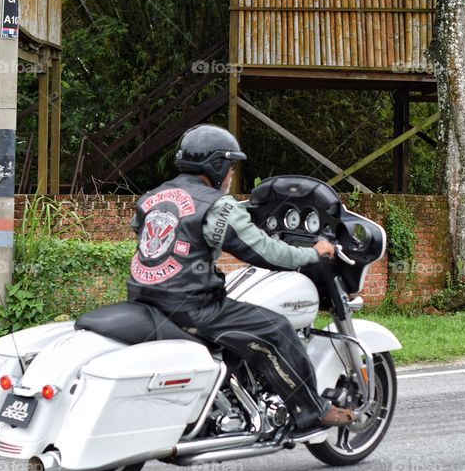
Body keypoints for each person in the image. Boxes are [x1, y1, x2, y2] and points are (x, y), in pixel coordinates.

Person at [126, 125, 357, 430]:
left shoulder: (152, 197)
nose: (232, 174)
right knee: (277, 330)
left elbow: (142, 230)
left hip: (144, 298)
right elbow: (262, 251)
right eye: (231, 166)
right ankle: (311, 410)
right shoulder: (217, 205)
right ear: (217, 166)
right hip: (192, 306)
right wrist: (313, 254)